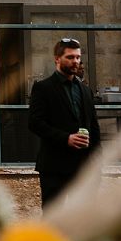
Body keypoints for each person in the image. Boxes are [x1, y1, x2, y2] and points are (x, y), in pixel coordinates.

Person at [28, 38, 101, 207]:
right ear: (57, 59)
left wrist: (97, 162)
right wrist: (66, 138)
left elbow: (94, 128)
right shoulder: (42, 88)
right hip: (54, 167)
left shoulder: (85, 90)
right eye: (70, 57)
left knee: (84, 220)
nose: (75, 61)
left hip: (84, 168)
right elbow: (34, 122)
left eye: (77, 57)